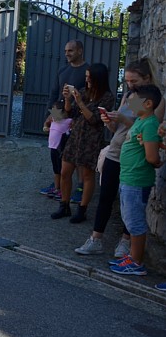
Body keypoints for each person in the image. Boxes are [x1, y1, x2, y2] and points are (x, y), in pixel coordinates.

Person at [75, 58, 165, 256]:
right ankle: (95, 239)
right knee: (106, 197)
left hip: (135, 158)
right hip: (116, 153)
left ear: (147, 78)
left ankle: (126, 242)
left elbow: (148, 131)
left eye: (134, 81)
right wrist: (110, 122)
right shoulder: (127, 96)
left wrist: (124, 119)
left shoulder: (156, 101)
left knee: (130, 202)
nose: (130, 85)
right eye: (127, 81)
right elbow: (119, 129)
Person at [109, 85, 164, 276]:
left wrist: (157, 162)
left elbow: (151, 156)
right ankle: (132, 256)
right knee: (129, 219)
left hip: (137, 180)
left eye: (134, 101)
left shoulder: (149, 123)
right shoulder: (142, 121)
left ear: (148, 104)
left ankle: (136, 262)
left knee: (135, 222)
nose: (129, 104)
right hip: (129, 178)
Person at [51, 63, 115, 222]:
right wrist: (67, 99)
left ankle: (82, 209)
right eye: (86, 77)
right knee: (65, 172)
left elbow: (93, 119)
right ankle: (64, 206)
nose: (86, 80)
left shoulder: (107, 97)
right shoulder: (83, 92)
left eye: (89, 77)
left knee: (87, 175)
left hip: (91, 140)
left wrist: (80, 102)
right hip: (76, 137)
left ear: (98, 79)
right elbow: (69, 113)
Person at [41, 40, 89, 199]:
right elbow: (55, 94)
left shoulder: (88, 71)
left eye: (71, 51)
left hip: (79, 118)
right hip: (60, 116)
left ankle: (81, 188)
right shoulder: (62, 71)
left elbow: (91, 97)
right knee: (57, 151)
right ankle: (59, 185)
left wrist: (82, 118)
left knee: (78, 154)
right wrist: (51, 116)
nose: (67, 53)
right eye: (66, 50)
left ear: (80, 51)